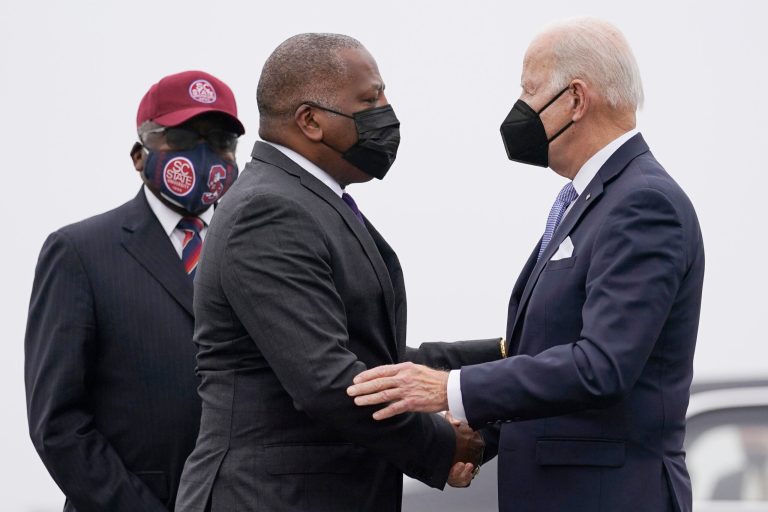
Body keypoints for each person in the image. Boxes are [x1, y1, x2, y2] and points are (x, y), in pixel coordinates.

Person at [348, 17, 705, 512]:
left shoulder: (642, 202)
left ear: (576, 100)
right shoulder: (590, 202)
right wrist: (477, 438)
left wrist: (449, 388)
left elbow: (601, 367)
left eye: (531, 90)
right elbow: (543, 352)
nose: (521, 109)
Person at [175, 33, 502, 512]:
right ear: (310, 120)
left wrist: (505, 354)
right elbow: (328, 381)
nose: (387, 113)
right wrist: (446, 445)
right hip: (270, 498)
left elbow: (376, 356)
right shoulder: (268, 211)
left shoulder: (309, 201)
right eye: (370, 100)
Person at [25, 70, 245, 512]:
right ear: (139, 154)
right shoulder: (79, 252)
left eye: (220, 140)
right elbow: (58, 420)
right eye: (182, 138)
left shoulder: (259, 248)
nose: (204, 155)